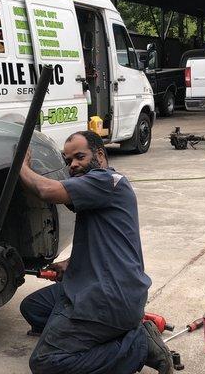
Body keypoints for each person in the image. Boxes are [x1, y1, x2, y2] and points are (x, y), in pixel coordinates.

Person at [19, 130, 174, 374]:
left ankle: (139, 346)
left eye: (80, 156)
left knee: (45, 362)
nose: (73, 165)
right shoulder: (94, 190)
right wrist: (70, 263)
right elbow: (105, 239)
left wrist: (21, 165)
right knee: (33, 308)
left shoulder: (107, 181)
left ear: (100, 155)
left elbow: (46, 191)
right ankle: (105, 335)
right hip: (92, 286)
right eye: (68, 160)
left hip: (110, 296)